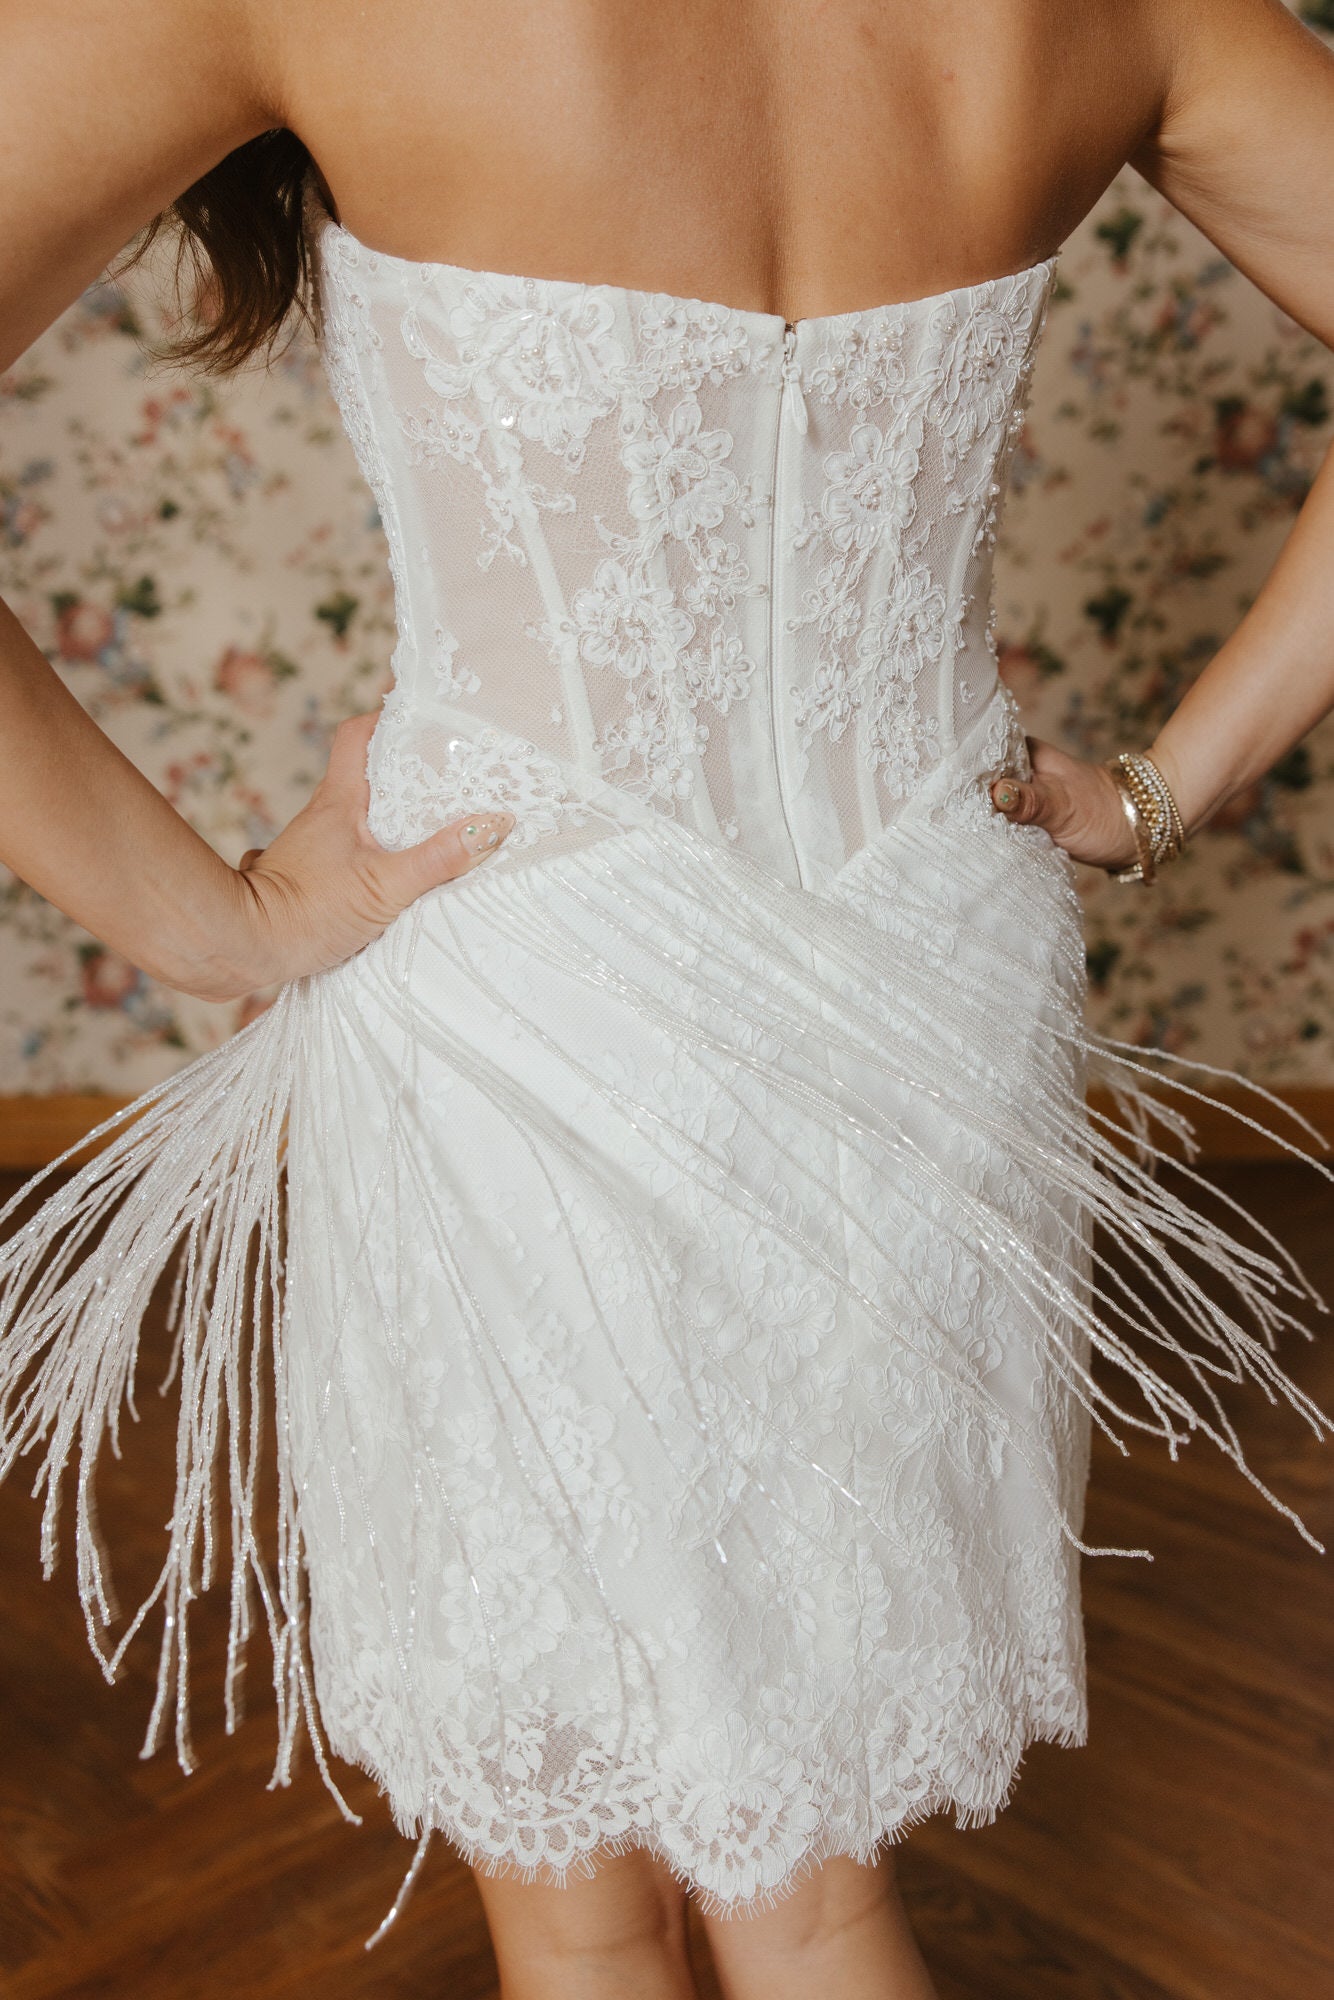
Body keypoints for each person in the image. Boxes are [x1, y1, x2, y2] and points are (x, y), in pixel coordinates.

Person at [2, 2, 1334, 1994]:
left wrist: (217, 922)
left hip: (525, 1002)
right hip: (935, 983)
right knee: (810, 1883)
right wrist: (1160, 789)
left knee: (594, 1897)